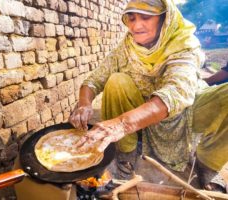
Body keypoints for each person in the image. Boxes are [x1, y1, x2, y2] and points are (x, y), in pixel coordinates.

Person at [69, 0, 228, 192]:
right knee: (116, 80)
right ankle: (126, 156)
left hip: (185, 112)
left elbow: (176, 92)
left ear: (164, 19)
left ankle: (207, 165)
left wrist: (121, 123)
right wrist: (84, 104)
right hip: (141, 111)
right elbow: (94, 79)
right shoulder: (127, 47)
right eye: (132, 18)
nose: (136, 26)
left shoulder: (183, 44)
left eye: (145, 17)